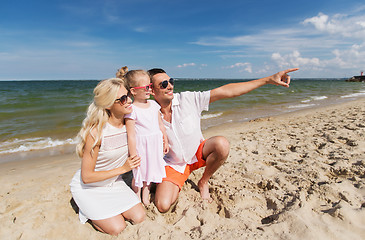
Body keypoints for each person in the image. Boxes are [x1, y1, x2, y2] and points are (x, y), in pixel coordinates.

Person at [148, 67, 299, 213]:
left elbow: (226, 91)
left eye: (171, 81)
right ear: (152, 90)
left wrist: (267, 80)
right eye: (164, 84)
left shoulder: (188, 99)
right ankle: (167, 181)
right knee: (163, 205)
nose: (170, 86)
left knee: (222, 144)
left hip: (198, 154)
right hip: (174, 164)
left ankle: (204, 181)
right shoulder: (147, 113)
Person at [70, 78, 145, 235]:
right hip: (89, 187)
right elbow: (87, 177)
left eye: (128, 95)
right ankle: (87, 209)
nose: (129, 101)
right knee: (118, 228)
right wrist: (123, 169)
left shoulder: (130, 123)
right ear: (109, 105)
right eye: (123, 99)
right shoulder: (97, 133)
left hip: (113, 183)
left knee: (139, 217)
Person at [120, 67, 169, 206]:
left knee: (151, 170)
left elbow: (160, 125)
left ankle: (146, 195)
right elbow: (131, 135)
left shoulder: (153, 105)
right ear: (134, 91)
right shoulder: (132, 110)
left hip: (154, 144)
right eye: (146, 87)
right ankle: (136, 194)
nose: (149, 89)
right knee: (139, 173)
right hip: (141, 146)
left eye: (150, 86)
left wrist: (165, 140)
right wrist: (133, 153)